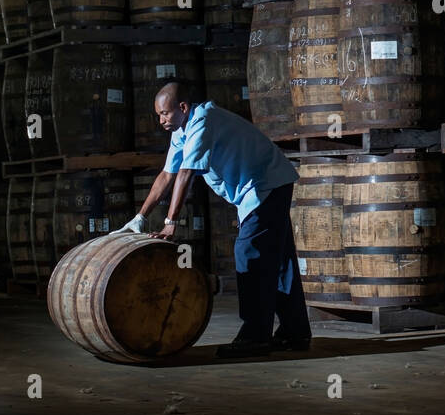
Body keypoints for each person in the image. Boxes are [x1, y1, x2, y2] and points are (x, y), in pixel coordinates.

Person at [121, 79, 310, 358]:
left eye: (165, 113)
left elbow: (185, 173)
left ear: (182, 107)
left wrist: (171, 222)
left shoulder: (203, 121)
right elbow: (167, 175)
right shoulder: (180, 129)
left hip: (266, 183)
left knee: (250, 253)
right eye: (158, 115)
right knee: (279, 258)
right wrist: (140, 217)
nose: (161, 120)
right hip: (262, 185)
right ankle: (295, 333)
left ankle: (255, 336)